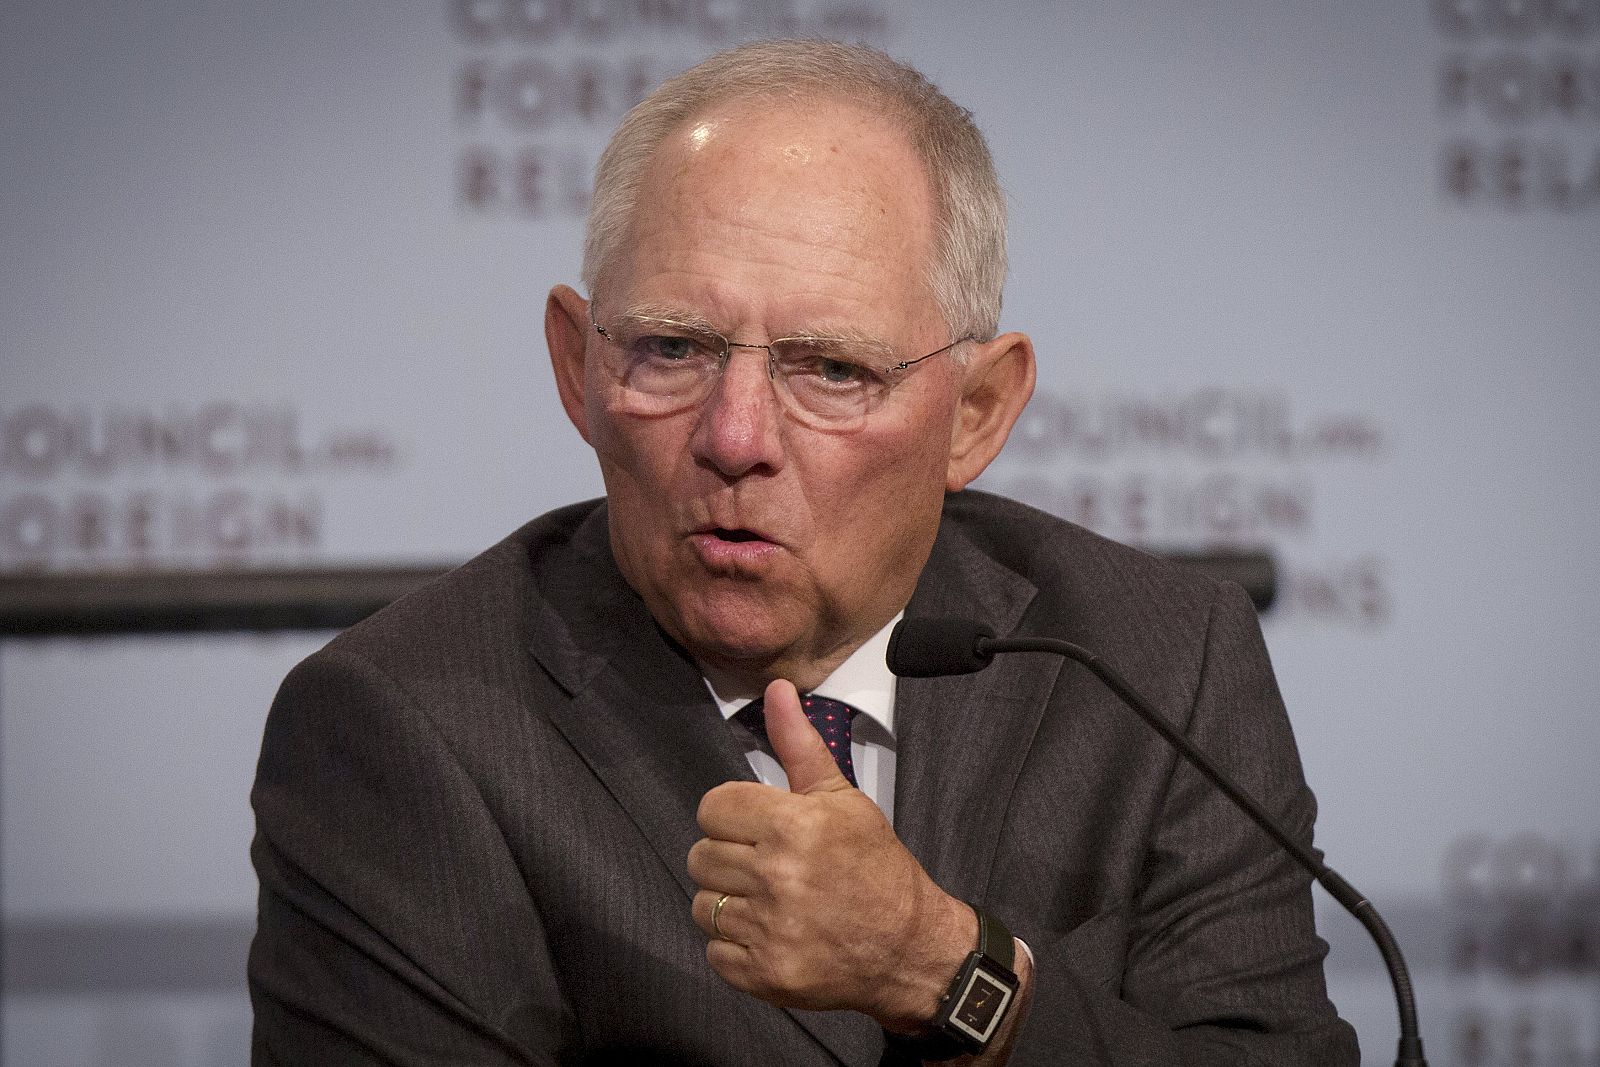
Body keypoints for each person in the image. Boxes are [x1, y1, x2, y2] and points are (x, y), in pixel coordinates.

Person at [249, 39, 1359, 1066]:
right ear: (575, 365)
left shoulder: (1154, 660)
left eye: (829, 368)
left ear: (976, 409)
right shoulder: (400, 727)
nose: (734, 438)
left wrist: (947, 970)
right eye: (671, 348)